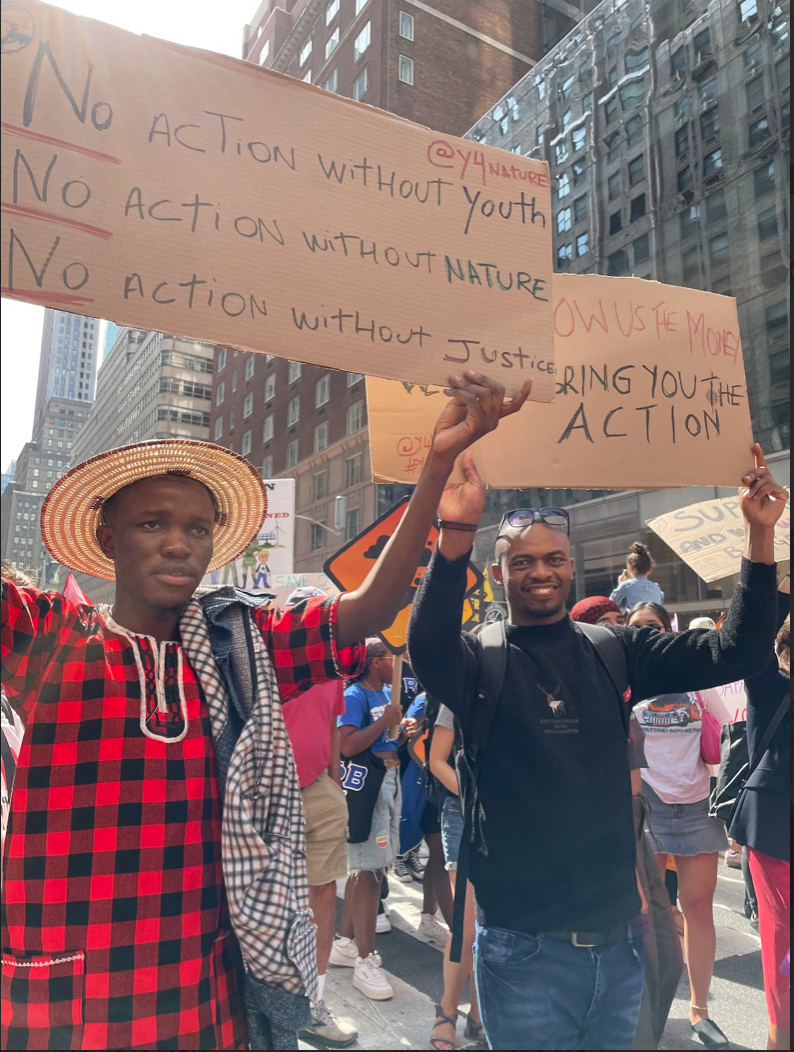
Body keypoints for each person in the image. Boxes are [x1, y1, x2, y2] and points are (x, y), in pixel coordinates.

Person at [2, 369, 530, 1051]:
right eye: (152, 523)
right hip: (60, 1004)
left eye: (197, 527)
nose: (177, 542)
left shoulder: (241, 643)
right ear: (107, 538)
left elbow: (368, 609)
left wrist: (432, 472)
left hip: (202, 998)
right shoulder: (41, 635)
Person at [408, 445, 786, 1051]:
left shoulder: (614, 648)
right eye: (523, 560)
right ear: (500, 571)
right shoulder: (479, 659)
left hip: (620, 945)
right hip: (520, 949)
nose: (541, 571)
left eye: (554, 558)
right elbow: (426, 648)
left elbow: (733, 653)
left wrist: (758, 537)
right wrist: (455, 529)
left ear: (571, 567)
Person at [627, 600, 733, 1049]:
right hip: (645, 808)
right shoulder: (625, 684)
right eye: (638, 628)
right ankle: (642, 1007)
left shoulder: (694, 679)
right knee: (643, 916)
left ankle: (700, 1011)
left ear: (669, 629)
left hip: (695, 809)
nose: (648, 635)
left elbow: (733, 726)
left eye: (655, 626)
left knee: (697, 910)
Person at [280, 586, 357, 1050]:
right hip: (266, 798)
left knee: (323, 896)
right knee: (263, 904)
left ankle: (314, 1002)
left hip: (318, 793)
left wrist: (331, 781)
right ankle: (265, 1001)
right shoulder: (262, 661)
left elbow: (330, 724)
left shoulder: (333, 669)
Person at [729, 575, 790, 1052]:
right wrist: (785, 584)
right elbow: (751, 641)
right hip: (775, 833)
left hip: (771, 829)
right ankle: (778, 1035)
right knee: (781, 938)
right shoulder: (770, 685)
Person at [331, 640, 403, 1000]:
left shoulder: (387, 692)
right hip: (370, 785)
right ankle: (365, 959)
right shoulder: (356, 695)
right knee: (371, 871)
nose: (396, 665)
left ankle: (345, 942)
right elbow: (346, 745)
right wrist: (386, 723)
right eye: (391, 658)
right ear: (375, 662)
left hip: (389, 779)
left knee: (372, 867)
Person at [428, 700, 483, 1052]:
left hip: (519, 818)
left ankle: (481, 1012)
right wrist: (478, 799)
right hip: (463, 812)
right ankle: (447, 1012)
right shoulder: (461, 692)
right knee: (465, 925)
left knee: (499, 923)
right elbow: (436, 760)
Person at [611, 542, 664, 611]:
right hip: (654, 619)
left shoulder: (627, 585)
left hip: (636, 620)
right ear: (650, 570)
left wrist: (620, 585)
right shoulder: (656, 587)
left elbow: (611, 603)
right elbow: (660, 600)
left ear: (629, 569)